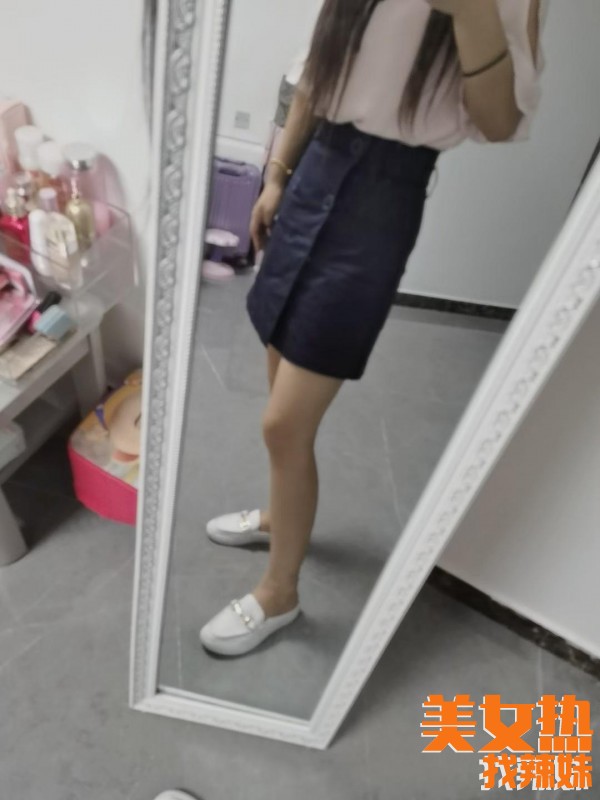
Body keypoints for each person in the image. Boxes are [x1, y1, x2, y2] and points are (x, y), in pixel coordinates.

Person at [200, 0, 545, 656]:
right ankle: (279, 519)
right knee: (279, 382)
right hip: (315, 167)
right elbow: (318, 75)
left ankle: (279, 594)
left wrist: (473, 14)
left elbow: (500, 122)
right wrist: (276, 175)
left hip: (383, 201)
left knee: (284, 424)